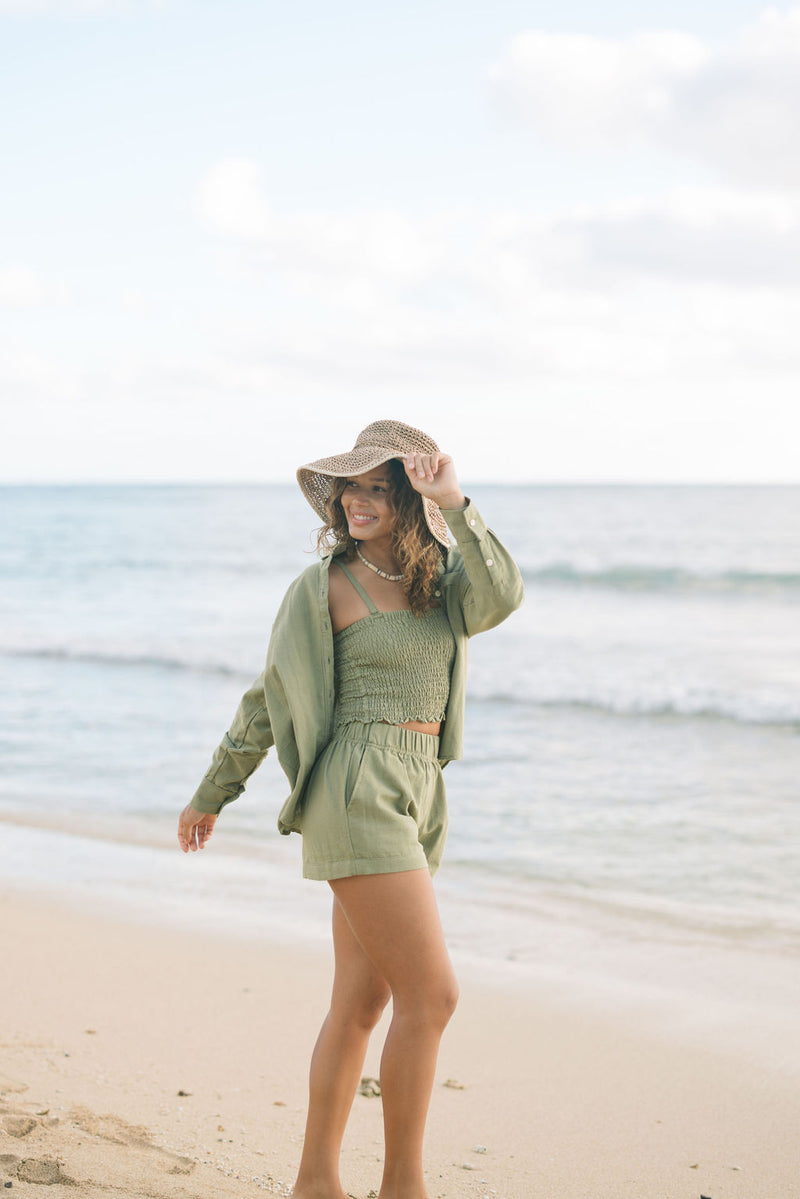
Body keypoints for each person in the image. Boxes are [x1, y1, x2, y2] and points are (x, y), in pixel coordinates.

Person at [177, 419, 524, 1199]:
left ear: (408, 496)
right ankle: (402, 1187)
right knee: (433, 995)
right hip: (357, 785)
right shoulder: (325, 587)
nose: (358, 501)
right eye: (351, 487)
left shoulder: (441, 579)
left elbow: (504, 594)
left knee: (361, 1003)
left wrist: (456, 501)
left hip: (419, 785)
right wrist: (213, 792)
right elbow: (268, 702)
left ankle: (314, 1183)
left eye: (377, 487)